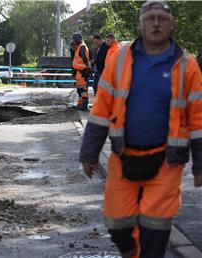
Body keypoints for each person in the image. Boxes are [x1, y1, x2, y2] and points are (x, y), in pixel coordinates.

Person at [79, 1, 202, 258]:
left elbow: (198, 119)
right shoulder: (120, 59)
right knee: (117, 223)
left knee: (155, 229)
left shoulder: (187, 66)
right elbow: (101, 110)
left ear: (171, 24)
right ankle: (130, 250)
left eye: (161, 18)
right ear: (141, 24)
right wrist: (89, 153)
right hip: (124, 157)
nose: (155, 23)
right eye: (150, 18)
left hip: (167, 161)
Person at [70, 32, 91, 110]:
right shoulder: (80, 46)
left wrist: (89, 68)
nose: (73, 41)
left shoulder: (82, 46)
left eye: (74, 39)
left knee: (83, 89)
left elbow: (85, 59)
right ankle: (81, 104)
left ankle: (84, 106)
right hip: (80, 71)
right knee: (80, 89)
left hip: (83, 72)